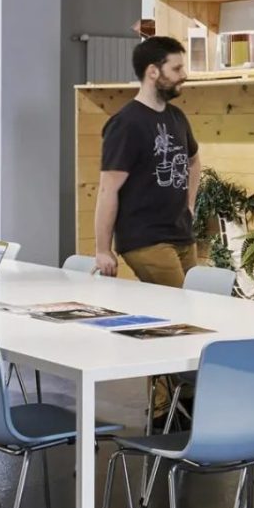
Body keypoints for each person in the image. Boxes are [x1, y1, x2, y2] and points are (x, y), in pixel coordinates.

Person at [94, 36, 201, 426]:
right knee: (172, 319)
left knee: (190, 317)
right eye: (176, 69)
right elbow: (108, 189)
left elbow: (193, 158)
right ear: (152, 72)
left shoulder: (175, 117)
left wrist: (189, 205)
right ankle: (162, 410)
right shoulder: (125, 124)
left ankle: (183, 401)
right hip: (144, 238)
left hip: (179, 233)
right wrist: (102, 249)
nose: (183, 76)